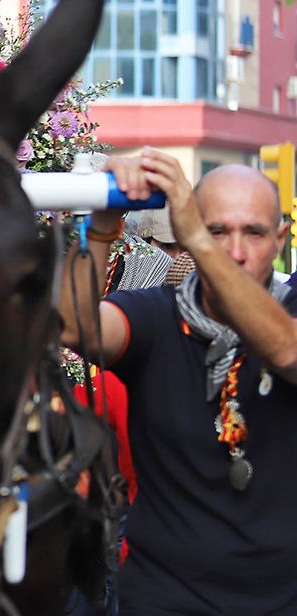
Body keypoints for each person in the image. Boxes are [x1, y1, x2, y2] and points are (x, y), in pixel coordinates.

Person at [58, 147, 297, 615]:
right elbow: (73, 324)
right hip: (164, 597)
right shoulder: (155, 315)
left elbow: (286, 351)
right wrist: (105, 224)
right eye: (215, 231)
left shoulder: (289, 320)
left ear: (280, 239)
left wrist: (199, 239)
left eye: (253, 232)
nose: (234, 251)